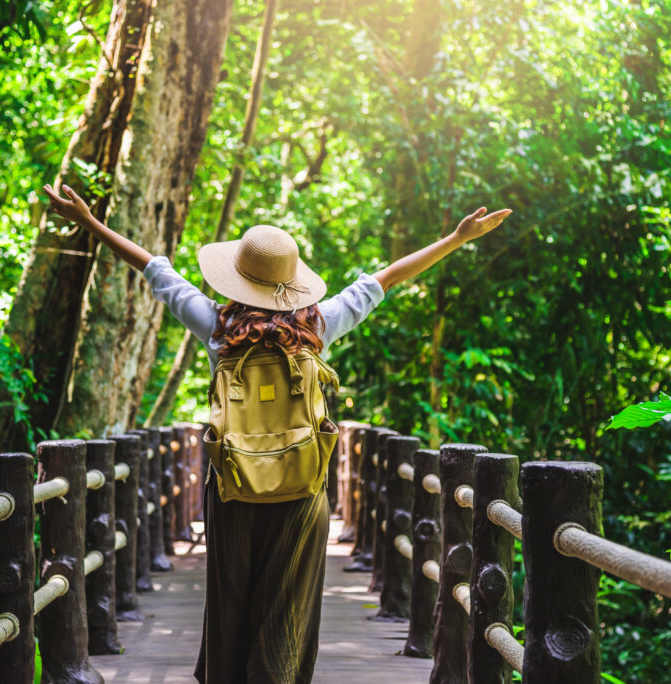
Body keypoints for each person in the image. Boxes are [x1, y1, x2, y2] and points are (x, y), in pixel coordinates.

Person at [42, 182, 510, 683]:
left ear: (237, 277)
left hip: (233, 486)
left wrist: (90, 223)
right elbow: (388, 277)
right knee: (288, 602)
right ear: (292, 282)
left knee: (231, 597)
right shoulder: (319, 326)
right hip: (301, 485)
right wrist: (457, 238)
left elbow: (155, 268)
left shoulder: (217, 328)